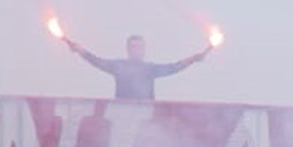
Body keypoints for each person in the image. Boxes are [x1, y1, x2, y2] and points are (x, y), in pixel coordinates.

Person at [66, 33, 212, 101]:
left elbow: (173, 67)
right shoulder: (119, 66)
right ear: (127, 49)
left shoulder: (150, 69)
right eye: (133, 47)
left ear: (144, 49)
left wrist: (193, 59)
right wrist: (80, 51)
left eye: (139, 47)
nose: (136, 50)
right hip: (122, 115)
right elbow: (97, 61)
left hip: (146, 117)